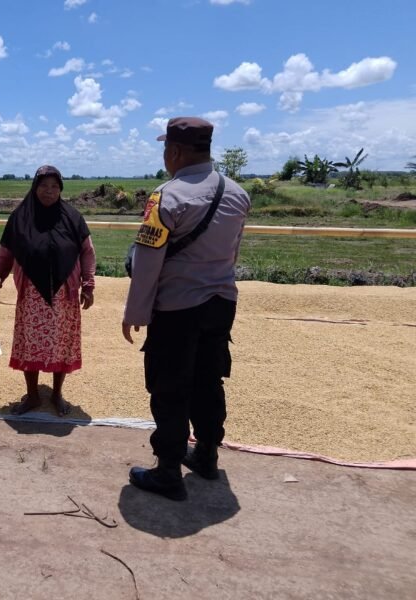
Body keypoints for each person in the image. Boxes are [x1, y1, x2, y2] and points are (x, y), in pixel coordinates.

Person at [122, 117, 251, 501]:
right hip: (220, 304)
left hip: (178, 310)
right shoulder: (237, 194)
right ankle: (207, 454)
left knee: (170, 387)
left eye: (166, 149)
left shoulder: (167, 197)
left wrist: (136, 312)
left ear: (175, 151)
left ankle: (167, 471)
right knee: (209, 381)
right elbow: (233, 253)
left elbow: (147, 262)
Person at [0, 165, 96, 416]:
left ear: (61, 189)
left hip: (64, 296)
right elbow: (6, 254)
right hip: (32, 294)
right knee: (30, 344)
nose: (49, 191)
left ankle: (57, 394)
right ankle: (33, 395)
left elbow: (87, 252)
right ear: (35, 187)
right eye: (44, 186)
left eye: (55, 186)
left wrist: (88, 284)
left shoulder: (72, 217)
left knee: (62, 344)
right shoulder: (20, 218)